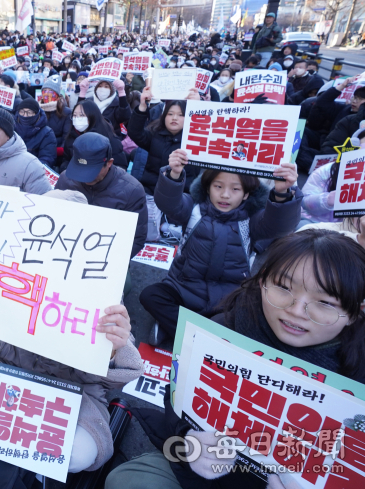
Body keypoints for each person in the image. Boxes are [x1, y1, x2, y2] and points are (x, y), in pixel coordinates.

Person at [106, 229, 365, 489]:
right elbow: (178, 394)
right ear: (262, 280)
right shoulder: (223, 330)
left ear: (354, 312)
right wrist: (189, 439)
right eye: (283, 287)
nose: (296, 311)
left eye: (325, 303)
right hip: (196, 473)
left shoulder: (358, 375)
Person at [0, 195, 144, 475]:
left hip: (73, 389)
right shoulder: (9, 261)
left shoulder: (99, 281)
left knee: (82, 451)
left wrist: (116, 346)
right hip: (8, 366)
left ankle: (23, 469)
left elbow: (113, 374)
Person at [139, 151, 302, 345]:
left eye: (235, 189)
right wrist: (174, 174)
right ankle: (202, 337)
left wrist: (282, 193)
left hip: (227, 299)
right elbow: (169, 203)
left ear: (246, 194)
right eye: (218, 186)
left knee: (249, 318)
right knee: (151, 295)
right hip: (183, 289)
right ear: (208, 188)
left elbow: (279, 225)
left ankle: (174, 327)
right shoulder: (193, 209)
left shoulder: (253, 220)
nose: (225, 194)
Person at [56, 132, 147, 258]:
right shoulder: (66, 179)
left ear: (109, 163)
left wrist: (106, 261)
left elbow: (136, 239)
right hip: (64, 251)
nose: (84, 177)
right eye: (80, 169)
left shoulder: (131, 190)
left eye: (91, 171)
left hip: (107, 258)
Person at [128, 90, 200, 241]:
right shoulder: (154, 134)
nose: (174, 118)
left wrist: (199, 108)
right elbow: (135, 132)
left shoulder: (196, 139)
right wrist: (142, 105)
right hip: (151, 193)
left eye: (181, 115)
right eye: (170, 114)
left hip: (182, 197)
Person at [63, 100, 127, 171]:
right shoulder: (71, 136)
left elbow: (120, 167)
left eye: (81, 115)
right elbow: (65, 160)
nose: (77, 118)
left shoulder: (109, 139)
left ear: (93, 116)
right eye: (74, 115)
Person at [14, 98, 57, 168]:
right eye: (22, 111)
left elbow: (47, 158)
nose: (25, 115)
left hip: (33, 171)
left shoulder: (47, 133)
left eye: (29, 112)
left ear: (36, 114)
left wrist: (28, 169)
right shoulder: (12, 127)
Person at [40, 75, 72, 150]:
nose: (47, 94)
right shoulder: (38, 110)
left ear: (57, 95)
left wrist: (59, 151)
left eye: (50, 91)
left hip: (58, 150)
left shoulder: (66, 112)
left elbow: (66, 136)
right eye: (45, 91)